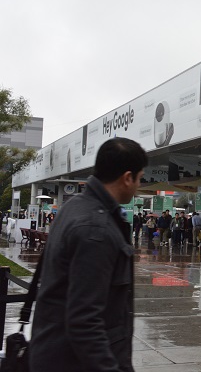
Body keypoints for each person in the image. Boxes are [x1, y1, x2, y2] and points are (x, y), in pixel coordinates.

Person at [30, 137, 148, 372]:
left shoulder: (74, 207)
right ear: (127, 178)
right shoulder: (97, 229)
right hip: (72, 362)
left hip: (53, 353)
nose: (138, 185)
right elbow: (85, 321)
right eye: (139, 178)